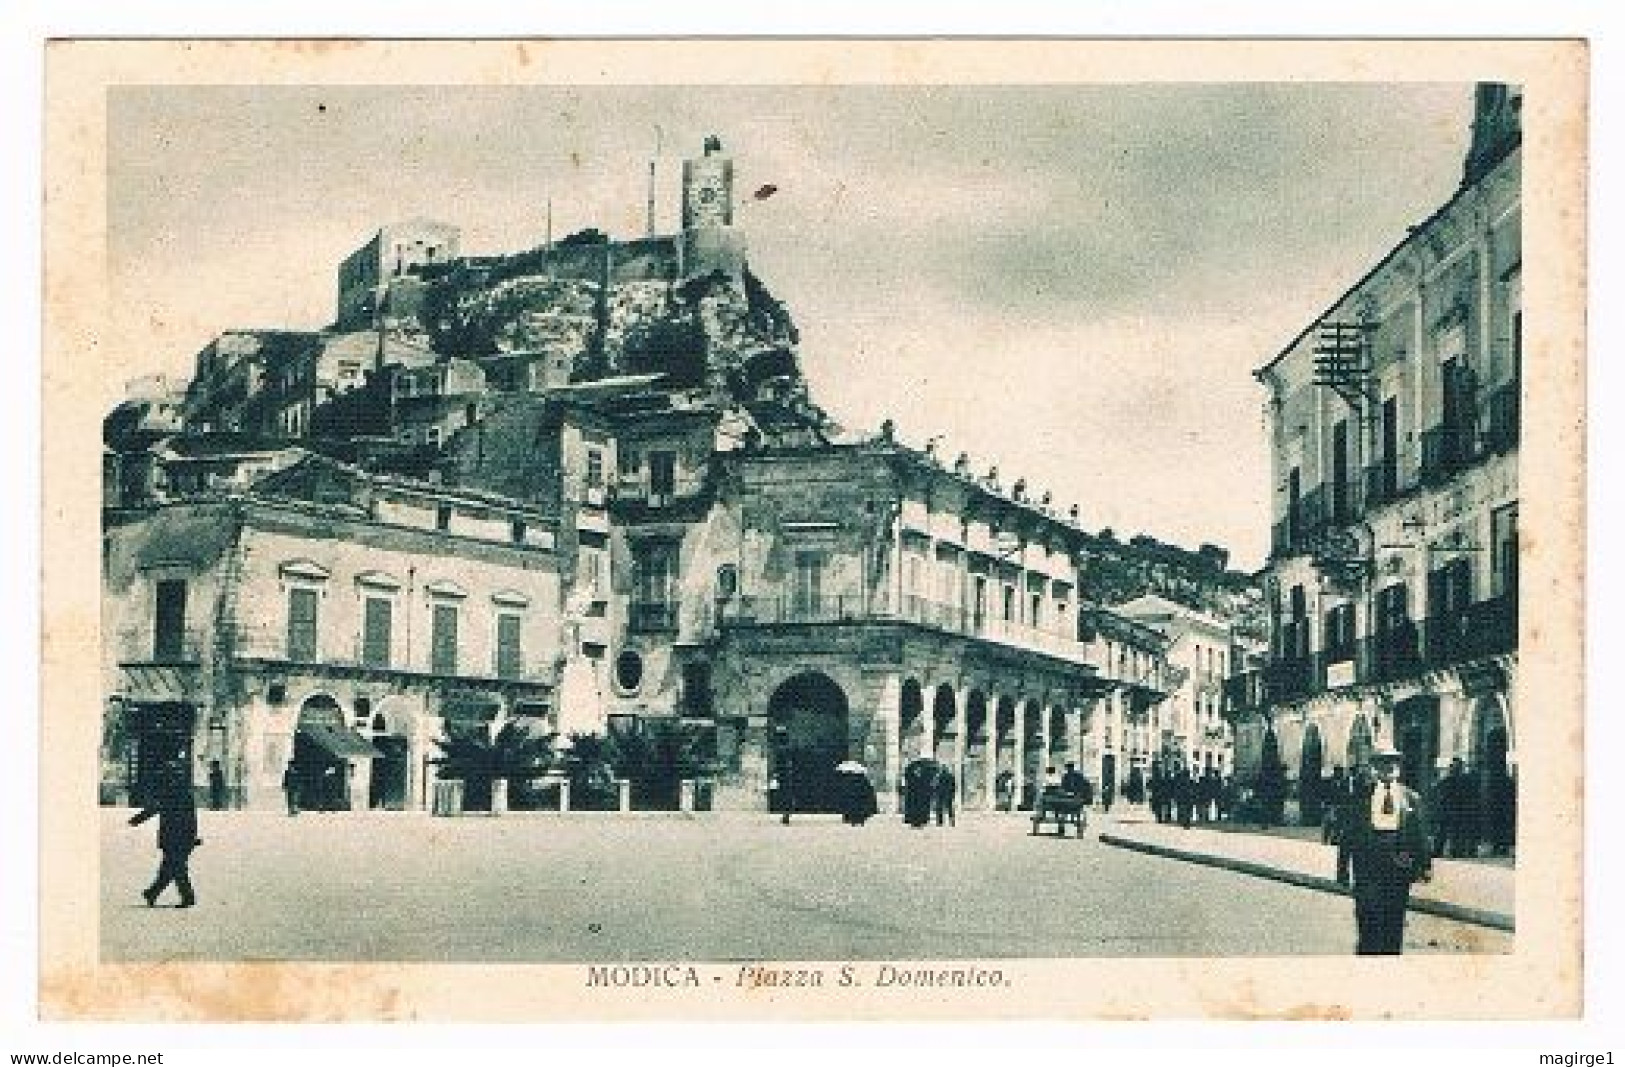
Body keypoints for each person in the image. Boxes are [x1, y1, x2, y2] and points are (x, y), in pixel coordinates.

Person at [1337, 745, 1431, 955]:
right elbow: (1348, 835)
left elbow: (1420, 835)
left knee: (1394, 926)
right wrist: (1342, 869)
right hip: (1367, 868)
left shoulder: (1411, 798)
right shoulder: (1361, 797)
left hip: (1398, 869)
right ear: (1374, 767)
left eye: (1393, 762)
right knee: (1368, 924)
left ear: (1398, 767)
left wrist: (1425, 866)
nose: (1389, 767)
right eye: (1382, 762)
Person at [129, 768, 201, 909]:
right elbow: (191, 819)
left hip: (176, 838)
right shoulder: (183, 794)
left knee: (175, 868)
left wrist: (136, 820)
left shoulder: (173, 794)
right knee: (171, 867)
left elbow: (155, 808)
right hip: (177, 837)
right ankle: (154, 893)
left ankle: (185, 896)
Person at [901, 758, 937, 828]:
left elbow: (930, 785)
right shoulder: (911, 775)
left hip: (922, 795)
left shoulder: (926, 775)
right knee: (914, 808)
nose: (918, 771)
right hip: (914, 796)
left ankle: (921, 821)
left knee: (922, 808)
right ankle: (914, 822)